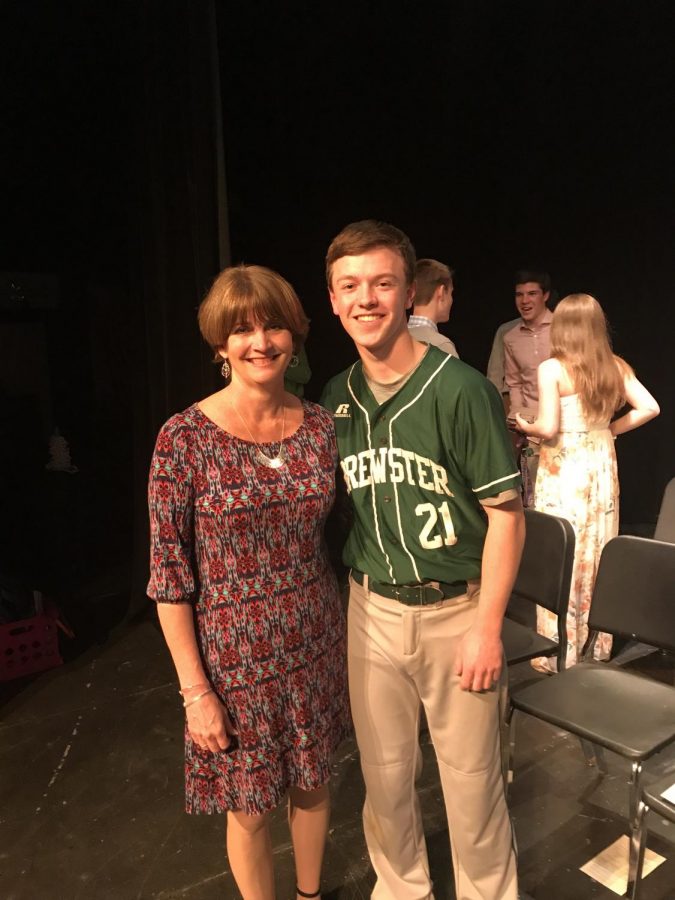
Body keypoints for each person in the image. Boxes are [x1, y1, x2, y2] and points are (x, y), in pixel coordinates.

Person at [321, 220, 524, 900]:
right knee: (383, 784)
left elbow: (504, 515)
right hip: (371, 608)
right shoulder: (334, 398)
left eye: (381, 283)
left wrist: (488, 625)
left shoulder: (460, 388)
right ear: (331, 298)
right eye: (349, 286)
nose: (366, 299)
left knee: (471, 790)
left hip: (455, 611)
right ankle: (402, 889)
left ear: (409, 292)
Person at [147, 264, 351, 900]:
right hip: (234, 661)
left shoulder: (320, 427)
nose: (260, 341)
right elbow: (168, 576)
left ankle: (310, 895)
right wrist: (194, 692)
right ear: (220, 344)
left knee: (316, 782)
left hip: (317, 640)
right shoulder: (183, 438)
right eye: (242, 330)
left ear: (295, 336)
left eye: (274, 326)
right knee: (251, 806)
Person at [515, 293, 659, 671]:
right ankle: (596, 643)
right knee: (597, 544)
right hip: (599, 462)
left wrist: (526, 426)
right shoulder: (614, 366)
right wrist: (609, 429)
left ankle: (558, 646)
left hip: (566, 466)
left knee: (563, 546)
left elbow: (548, 428)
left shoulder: (552, 369)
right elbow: (650, 407)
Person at [503, 270, 553, 505]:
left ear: (546, 296)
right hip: (532, 428)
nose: (525, 301)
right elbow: (514, 382)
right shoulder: (511, 337)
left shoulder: (562, 329)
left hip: (562, 423)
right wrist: (518, 418)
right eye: (519, 295)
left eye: (532, 293)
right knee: (535, 494)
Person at [407, 258, 459, 357]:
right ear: (442, 292)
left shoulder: (390, 340)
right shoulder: (442, 347)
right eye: (451, 293)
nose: (452, 299)